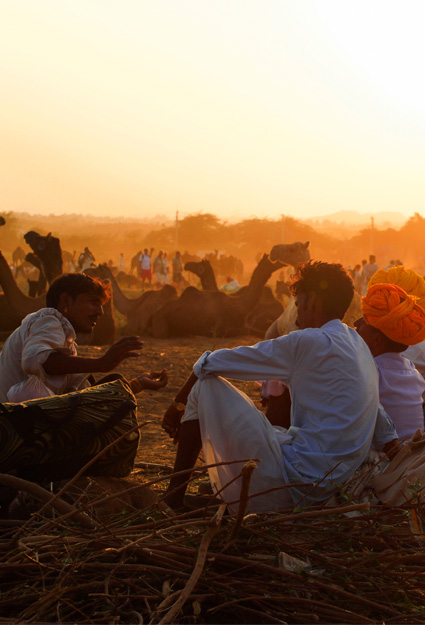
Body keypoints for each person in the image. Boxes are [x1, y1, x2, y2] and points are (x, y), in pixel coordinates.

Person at [161, 260, 397, 513]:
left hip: (290, 485)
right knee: (276, 432)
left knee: (204, 386)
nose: (296, 317)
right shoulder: (358, 344)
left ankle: (173, 498)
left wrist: (178, 403)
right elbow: (381, 420)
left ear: (312, 301)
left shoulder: (307, 341)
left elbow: (211, 363)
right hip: (325, 488)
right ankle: (213, 500)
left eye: (298, 305)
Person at [0, 272, 145, 403]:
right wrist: (101, 363)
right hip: (9, 425)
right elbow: (36, 360)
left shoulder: (66, 343)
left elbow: (85, 396)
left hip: (21, 424)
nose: (100, 311)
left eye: (100, 304)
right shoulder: (47, 319)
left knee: (115, 381)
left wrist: (138, 385)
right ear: (66, 301)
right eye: (93, 302)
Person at [355, 284, 425, 441]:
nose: (356, 324)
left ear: (377, 338)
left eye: (365, 321)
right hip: (413, 456)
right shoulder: (413, 372)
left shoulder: (370, 373)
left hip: (389, 462)